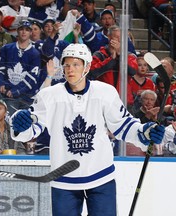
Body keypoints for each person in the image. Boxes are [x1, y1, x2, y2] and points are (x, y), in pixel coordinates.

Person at [10, 43, 165, 215]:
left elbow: (123, 125)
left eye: (76, 64)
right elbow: (30, 129)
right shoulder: (49, 95)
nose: (70, 69)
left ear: (87, 66)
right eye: (67, 65)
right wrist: (20, 125)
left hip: (101, 176)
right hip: (63, 179)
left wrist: (145, 132)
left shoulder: (105, 92)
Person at [0, 20, 41, 115]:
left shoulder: (35, 53)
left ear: (31, 33)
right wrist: (1, 83)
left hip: (26, 97)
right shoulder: (6, 48)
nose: (24, 32)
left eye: (27, 30)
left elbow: (32, 77)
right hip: (7, 94)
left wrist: (16, 90)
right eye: (21, 29)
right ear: (17, 31)